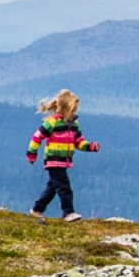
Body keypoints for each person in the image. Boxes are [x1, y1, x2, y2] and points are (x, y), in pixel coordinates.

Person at [27, 90, 98, 220]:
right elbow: (37, 136)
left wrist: (90, 147)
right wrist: (32, 152)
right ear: (64, 110)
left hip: (64, 161)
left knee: (53, 187)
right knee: (64, 187)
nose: (74, 114)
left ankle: (37, 209)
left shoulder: (74, 125)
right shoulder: (53, 123)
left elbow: (79, 142)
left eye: (75, 111)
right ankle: (68, 213)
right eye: (72, 111)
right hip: (53, 161)